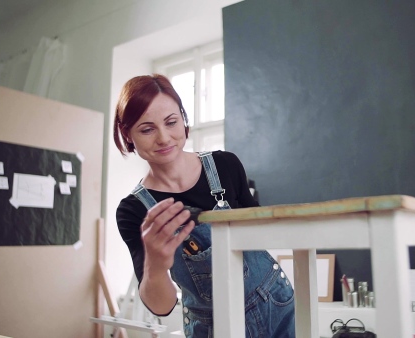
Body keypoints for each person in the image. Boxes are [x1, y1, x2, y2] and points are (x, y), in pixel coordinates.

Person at [113, 74, 296, 338]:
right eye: (147, 129)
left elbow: (261, 233)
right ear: (128, 135)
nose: (164, 138)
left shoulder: (226, 166)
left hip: (275, 305)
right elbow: (161, 307)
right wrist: (154, 265)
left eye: (171, 122)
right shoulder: (134, 211)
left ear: (183, 119)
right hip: (211, 327)